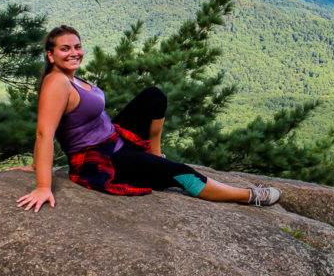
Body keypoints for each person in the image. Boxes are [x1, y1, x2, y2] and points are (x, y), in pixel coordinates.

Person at [15, 25, 281, 213]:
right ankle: (249, 197)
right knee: (182, 174)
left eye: (77, 46)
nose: (74, 52)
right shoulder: (56, 83)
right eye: (65, 49)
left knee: (154, 96)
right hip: (103, 158)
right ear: (51, 55)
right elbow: (44, 133)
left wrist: (36, 163)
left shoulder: (71, 77)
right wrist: (42, 184)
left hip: (114, 138)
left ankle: (155, 155)